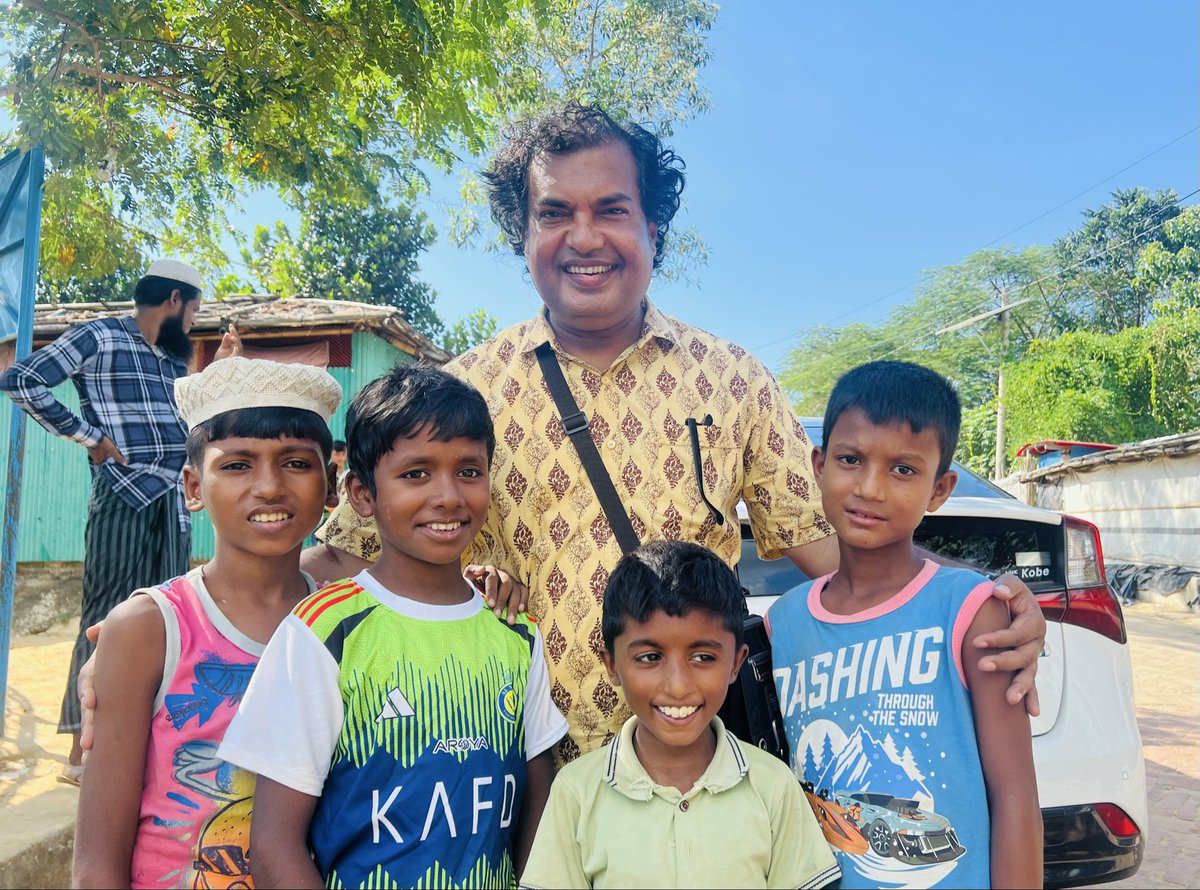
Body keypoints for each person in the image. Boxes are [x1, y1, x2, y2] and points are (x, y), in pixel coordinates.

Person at [306, 101, 1047, 765]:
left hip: (689, 781)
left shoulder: (733, 380)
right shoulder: (462, 396)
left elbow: (838, 550)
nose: (584, 237)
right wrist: (238, 618)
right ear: (524, 235)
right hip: (510, 782)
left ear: (651, 230)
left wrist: (980, 602)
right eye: (555, 213)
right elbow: (343, 557)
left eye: (612, 209)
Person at [217, 365, 567, 887]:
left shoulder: (516, 633)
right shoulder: (324, 632)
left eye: (468, 471)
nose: (448, 496)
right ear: (362, 494)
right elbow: (273, 847)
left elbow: (538, 807)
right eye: (416, 474)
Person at [70, 355, 343, 888]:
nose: (269, 486)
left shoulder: (346, 620)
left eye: (296, 463)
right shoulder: (149, 629)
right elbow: (97, 860)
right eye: (237, 465)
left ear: (331, 484)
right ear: (193, 487)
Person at [767, 361, 1042, 888]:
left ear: (940, 489)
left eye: (903, 470)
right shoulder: (785, 622)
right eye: (851, 459)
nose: (870, 488)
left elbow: (1015, 795)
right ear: (819, 465)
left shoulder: (971, 611)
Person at [0, 258, 241, 783]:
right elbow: (21, 379)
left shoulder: (172, 363)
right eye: (193, 310)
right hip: (122, 494)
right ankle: (81, 754)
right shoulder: (100, 335)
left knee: (168, 619)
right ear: (174, 299)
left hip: (172, 501)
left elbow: (190, 420)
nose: (193, 322)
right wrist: (89, 437)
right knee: (106, 619)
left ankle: (147, 747)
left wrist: (217, 370)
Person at [520, 540, 841, 889]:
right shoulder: (576, 793)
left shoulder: (772, 787)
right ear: (612, 665)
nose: (677, 686)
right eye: (650, 657)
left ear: (736, 662)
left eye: (703, 657)